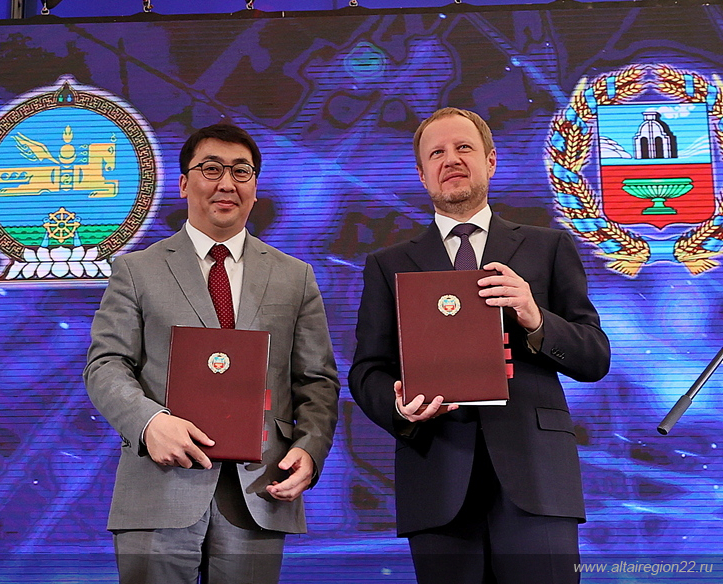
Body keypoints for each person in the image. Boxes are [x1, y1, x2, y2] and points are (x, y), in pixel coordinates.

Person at [348, 108, 610, 584]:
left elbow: (594, 355)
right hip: (436, 479)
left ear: (490, 161)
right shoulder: (388, 265)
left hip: (538, 480)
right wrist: (399, 406)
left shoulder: (548, 247)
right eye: (437, 153)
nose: (451, 159)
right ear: (422, 173)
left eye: (464, 147)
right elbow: (367, 371)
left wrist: (534, 316)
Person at [85, 123, 340, 584]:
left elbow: (316, 381)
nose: (227, 183)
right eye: (211, 169)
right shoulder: (136, 270)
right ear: (184, 184)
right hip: (159, 485)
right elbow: (105, 365)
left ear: (255, 189)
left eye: (241, 172)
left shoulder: (295, 277)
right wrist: (149, 422)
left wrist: (311, 448)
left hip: (259, 489)